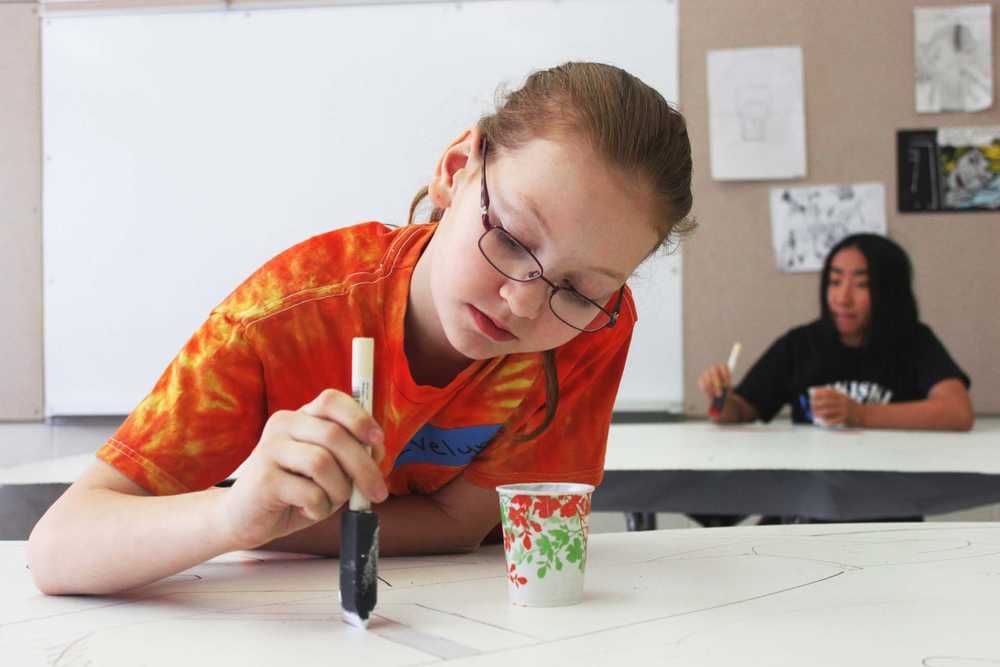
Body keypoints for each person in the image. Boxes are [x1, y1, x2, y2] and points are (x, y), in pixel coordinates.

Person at [28, 62, 694, 595]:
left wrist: (278, 528)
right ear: (458, 169)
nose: (523, 303)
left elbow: (463, 524)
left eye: (579, 289)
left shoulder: (591, 330)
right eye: (514, 238)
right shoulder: (288, 314)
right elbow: (61, 546)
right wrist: (232, 515)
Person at [693, 233, 973, 527]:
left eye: (862, 284)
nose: (842, 298)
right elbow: (741, 410)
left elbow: (957, 410)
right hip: (806, 507)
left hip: (887, 512)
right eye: (835, 281)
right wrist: (720, 400)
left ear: (889, 290)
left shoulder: (915, 341)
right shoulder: (801, 344)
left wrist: (860, 414)